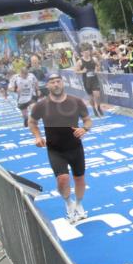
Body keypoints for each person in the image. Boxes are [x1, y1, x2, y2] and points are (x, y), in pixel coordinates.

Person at [29, 74, 93, 223]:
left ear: (63, 83)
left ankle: (79, 204)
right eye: (52, 82)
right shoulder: (41, 105)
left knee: (79, 179)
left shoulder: (76, 101)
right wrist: (37, 136)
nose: (56, 84)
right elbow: (32, 122)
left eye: (58, 81)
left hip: (75, 148)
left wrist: (84, 129)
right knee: (63, 179)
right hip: (55, 149)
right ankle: (69, 203)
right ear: (48, 86)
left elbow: (88, 120)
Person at [75, 47, 105, 116]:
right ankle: (94, 108)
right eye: (85, 52)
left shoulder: (94, 59)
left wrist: (97, 69)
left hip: (94, 80)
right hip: (87, 81)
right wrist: (82, 71)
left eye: (88, 52)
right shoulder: (80, 61)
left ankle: (98, 107)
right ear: (82, 53)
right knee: (91, 97)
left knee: (97, 95)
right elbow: (76, 71)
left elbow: (99, 66)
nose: (87, 53)